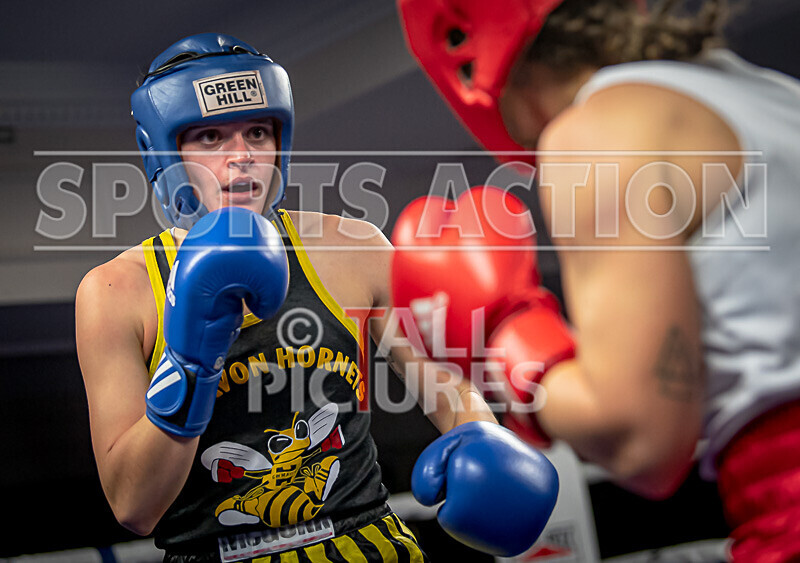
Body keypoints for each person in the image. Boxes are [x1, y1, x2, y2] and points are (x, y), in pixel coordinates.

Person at [76, 33, 559, 562]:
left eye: (258, 132)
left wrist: (481, 438)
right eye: (211, 137)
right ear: (164, 154)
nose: (242, 159)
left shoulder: (351, 248)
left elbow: (445, 386)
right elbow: (133, 506)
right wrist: (191, 366)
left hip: (365, 543)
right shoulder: (114, 292)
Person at [395, 0, 800, 560]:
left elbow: (641, 443)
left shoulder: (597, 132)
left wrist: (505, 339)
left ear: (465, 48)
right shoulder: (772, 96)